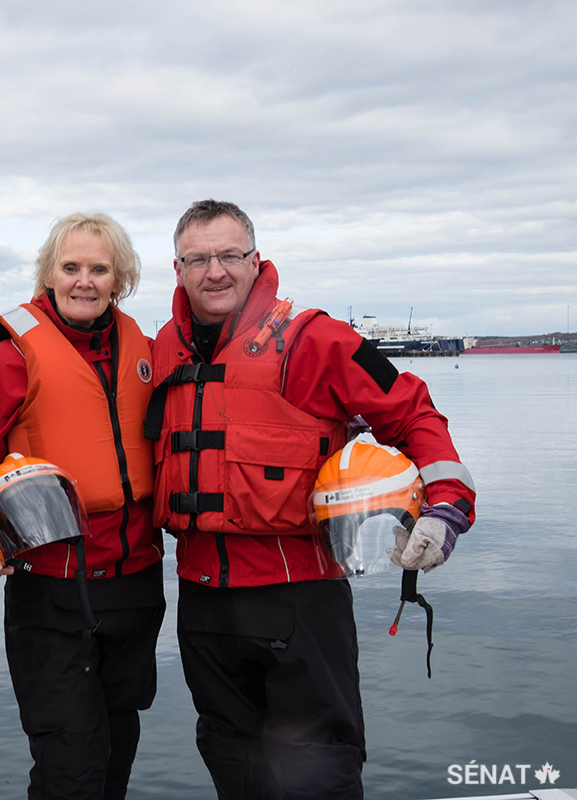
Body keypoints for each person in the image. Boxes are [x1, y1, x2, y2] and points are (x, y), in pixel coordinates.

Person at [148, 199, 477, 799]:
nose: (214, 271)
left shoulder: (316, 339)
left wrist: (447, 505)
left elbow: (411, 410)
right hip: (202, 604)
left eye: (229, 255)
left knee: (316, 766)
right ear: (177, 269)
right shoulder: (162, 349)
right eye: (198, 259)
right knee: (230, 757)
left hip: (298, 598)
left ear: (256, 261)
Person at [0, 212, 166, 800]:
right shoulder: (10, 358)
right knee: (69, 762)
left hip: (136, 583)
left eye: (99, 269)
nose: (84, 281)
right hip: (49, 587)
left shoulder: (146, 349)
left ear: (120, 278)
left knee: (117, 746)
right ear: (49, 272)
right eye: (71, 267)